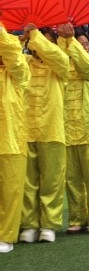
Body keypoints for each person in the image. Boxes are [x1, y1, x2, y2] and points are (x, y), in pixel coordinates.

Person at [19, 25, 69, 244]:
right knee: (27, 181)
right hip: (26, 130)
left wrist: (36, 36)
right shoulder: (24, 63)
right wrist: (21, 40)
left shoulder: (60, 65)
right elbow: (9, 58)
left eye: (49, 42)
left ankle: (49, 224)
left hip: (52, 129)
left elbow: (58, 57)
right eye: (39, 41)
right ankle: (29, 224)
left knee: (52, 180)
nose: (42, 46)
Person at [57, 24, 89, 235]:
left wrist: (71, 41)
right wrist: (65, 40)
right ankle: (77, 218)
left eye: (87, 44)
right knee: (72, 180)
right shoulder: (63, 69)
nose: (86, 47)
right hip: (69, 129)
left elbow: (85, 67)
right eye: (82, 44)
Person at [0, 24, 30, 253]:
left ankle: (6, 235)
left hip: (10, 140)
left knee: (10, 191)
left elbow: (14, 56)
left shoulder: (19, 72)